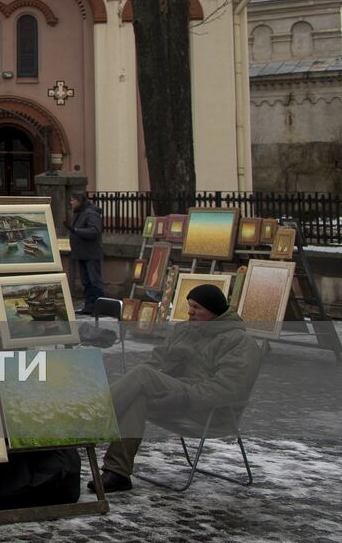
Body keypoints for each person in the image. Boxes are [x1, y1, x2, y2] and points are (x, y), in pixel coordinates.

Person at [94, 284, 261, 492]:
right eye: (189, 306)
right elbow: (155, 362)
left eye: (197, 307)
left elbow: (229, 388)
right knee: (137, 394)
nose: (190, 312)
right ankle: (117, 473)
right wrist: (169, 368)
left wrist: (182, 397)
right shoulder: (185, 330)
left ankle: (85, 422)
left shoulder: (239, 341)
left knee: (142, 376)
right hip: (172, 397)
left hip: (209, 411)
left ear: (215, 311)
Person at [65, 192, 106, 315]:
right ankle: (89, 307)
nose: (71, 203)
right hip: (82, 254)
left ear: (79, 201)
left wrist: (76, 230)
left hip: (91, 254)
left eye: (73, 200)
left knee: (95, 282)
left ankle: (101, 308)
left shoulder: (91, 213)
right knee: (86, 282)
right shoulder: (80, 213)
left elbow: (94, 231)